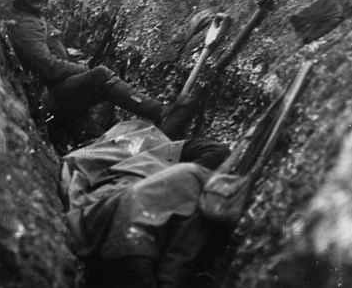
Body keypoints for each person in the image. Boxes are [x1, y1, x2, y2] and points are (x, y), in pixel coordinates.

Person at [4, 0, 193, 136]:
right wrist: (83, 70)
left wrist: (74, 61)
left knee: (110, 89)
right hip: (52, 100)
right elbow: (49, 68)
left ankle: (101, 132)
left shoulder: (31, 17)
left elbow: (48, 53)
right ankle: (159, 111)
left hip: (58, 94)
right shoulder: (23, 23)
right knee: (101, 76)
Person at [61, 119, 231, 288]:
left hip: (127, 231)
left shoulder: (153, 152)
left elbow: (217, 152)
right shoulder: (126, 149)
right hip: (126, 229)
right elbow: (217, 152)